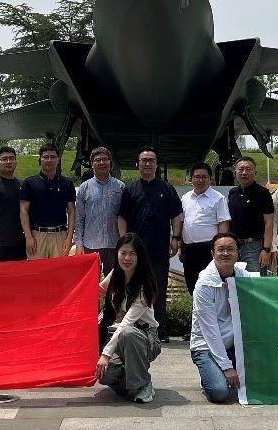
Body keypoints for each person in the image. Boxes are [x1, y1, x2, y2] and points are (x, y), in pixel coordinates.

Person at [118, 147, 182, 343]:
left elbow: (176, 216)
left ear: (156, 164)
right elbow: (122, 217)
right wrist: (124, 243)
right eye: (144, 160)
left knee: (158, 290)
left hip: (159, 248)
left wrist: (176, 237)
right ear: (137, 164)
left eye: (151, 160)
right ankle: (133, 328)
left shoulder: (166, 189)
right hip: (134, 252)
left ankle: (160, 330)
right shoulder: (130, 190)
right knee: (133, 289)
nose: (147, 163)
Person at [96, 233, 161, 403]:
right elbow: (98, 291)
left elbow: (126, 324)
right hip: (117, 335)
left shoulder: (144, 285)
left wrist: (106, 354)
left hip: (144, 337)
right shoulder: (115, 274)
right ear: (117, 253)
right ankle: (135, 380)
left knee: (128, 333)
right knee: (104, 375)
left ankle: (144, 384)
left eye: (132, 254)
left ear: (140, 257)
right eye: (123, 253)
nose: (127, 258)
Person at [189, 232, 249, 403]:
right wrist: (227, 367)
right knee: (219, 392)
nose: (225, 253)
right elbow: (210, 332)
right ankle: (211, 372)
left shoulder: (243, 277)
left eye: (230, 249)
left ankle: (219, 369)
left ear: (238, 253)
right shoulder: (204, 284)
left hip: (233, 343)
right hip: (206, 345)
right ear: (212, 253)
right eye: (220, 249)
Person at [20, 143, 76, 259]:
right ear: (40, 159)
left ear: (58, 160)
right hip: (37, 235)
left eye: (53, 157)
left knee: (59, 268)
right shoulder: (29, 183)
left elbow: (71, 211)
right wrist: (28, 237)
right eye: (45, 157)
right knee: (38, 269)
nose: (49, 160)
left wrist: (69, 237)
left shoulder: (67, 183)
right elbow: (23, 210)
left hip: (60, 235)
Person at [179, 162, 230, 292]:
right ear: (191, 179)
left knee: (211, 285)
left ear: (210, 179)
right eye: (197, 177)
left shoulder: (218, 198)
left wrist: (220, 249)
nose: (200, 180)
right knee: (192, 285)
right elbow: (182, 223)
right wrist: (180, 246)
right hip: (189, 249)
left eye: (204, 177)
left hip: (208, 249)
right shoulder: (185, 198)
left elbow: (223, 225)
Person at [74, 146, 125, 275]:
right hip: (90, 245)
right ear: (92, 164)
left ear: (110, 162)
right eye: (98, 160)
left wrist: (125, 242)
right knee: (90, 281)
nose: (102, 162)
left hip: (114, 244)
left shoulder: (120, 187)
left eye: (105, 159)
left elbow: (126, 216)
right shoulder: (84, 188)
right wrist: (79, 244)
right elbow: (79, 218)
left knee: (113, 282)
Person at [227, 157, 274, 273]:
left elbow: (269, 223)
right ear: (235, 172)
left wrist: (266, 249)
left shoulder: (263, 193)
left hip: (255, 247)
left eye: (248, 169)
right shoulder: (232, 193)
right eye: (241, 169)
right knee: (235, 280)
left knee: (254, 280)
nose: (244, 172)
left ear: (255, 172)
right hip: (234, 246)